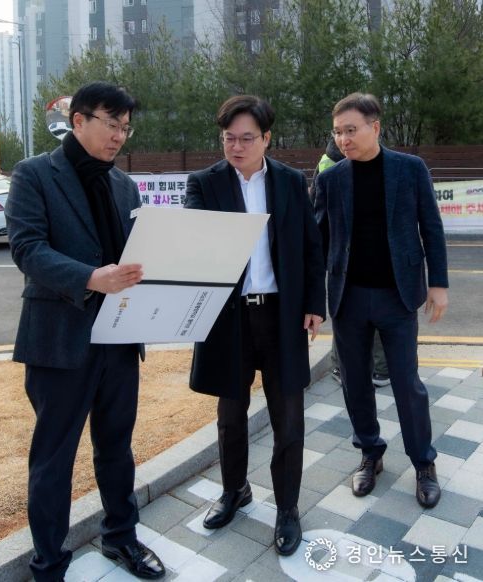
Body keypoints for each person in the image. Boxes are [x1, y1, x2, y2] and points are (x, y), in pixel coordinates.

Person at [5, 82, 165, 581]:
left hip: (120, 339)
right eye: (111, 124)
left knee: (116, 448)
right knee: (53, 459)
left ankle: (122, 537)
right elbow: (27, 248)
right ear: (78, 120)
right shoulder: (34, 174)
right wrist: (91, 278)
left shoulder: (124, 186)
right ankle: (49, 564)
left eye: (125, 127)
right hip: (60, 340)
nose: (119, 136)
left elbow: (137, 258)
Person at [184, 95, 326, 556]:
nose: (237, 147)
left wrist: (315, 304)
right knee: (230, 416)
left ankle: (287, 508)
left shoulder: (289, 180)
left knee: (289, 417)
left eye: (247, 138)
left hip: (281, 316)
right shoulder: (204, 183)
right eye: (229, 138)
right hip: (230, 319)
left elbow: (311, 247)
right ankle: (234, 491)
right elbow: (194, 245)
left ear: (266, 138)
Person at [315, 92, 448, 509]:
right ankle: (370, 452)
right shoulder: (331, 179)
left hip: (397, 295)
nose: (343, 140)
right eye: (337, 132)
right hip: (348, 297)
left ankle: (423, 462)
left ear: (375, 127)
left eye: (351, 130)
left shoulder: (410, 169)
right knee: (355, 382)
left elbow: (431, 226)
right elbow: (317, 243)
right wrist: (310, 300)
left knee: (407, 384)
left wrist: (439, 283)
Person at [311, 138, 390, 387]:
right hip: (358, 253)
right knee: (370, 314)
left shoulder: (325, 162)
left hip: (339, 254)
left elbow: (317, 212)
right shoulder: (349, 163)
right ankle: (380, 369)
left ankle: (340, 365)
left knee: (343, 314)